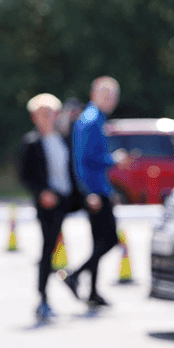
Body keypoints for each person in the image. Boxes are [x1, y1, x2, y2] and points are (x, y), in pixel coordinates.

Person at [19, 93, 84, 322]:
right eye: (43, 113)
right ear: (34, 117)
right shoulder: (32, 142)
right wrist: (41, 193)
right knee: (48, 249)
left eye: (51, 113)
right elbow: (25, 176)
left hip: (70, 199)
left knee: (103, 230)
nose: (48, 117)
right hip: (49, 203)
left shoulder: (64, 138)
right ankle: (43, 298)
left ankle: (78, 277)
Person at [59, 76, 123, 308]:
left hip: (99, 188)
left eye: (113, 96)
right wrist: (89, 192)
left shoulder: (96, 118)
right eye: (106, 95)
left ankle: (93, 292)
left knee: (98, 240)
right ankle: (74, 275)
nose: (111, 100)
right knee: (110, 240)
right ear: (94, 94)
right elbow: (83, 160)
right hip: (94, 191)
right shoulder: (90, 119)